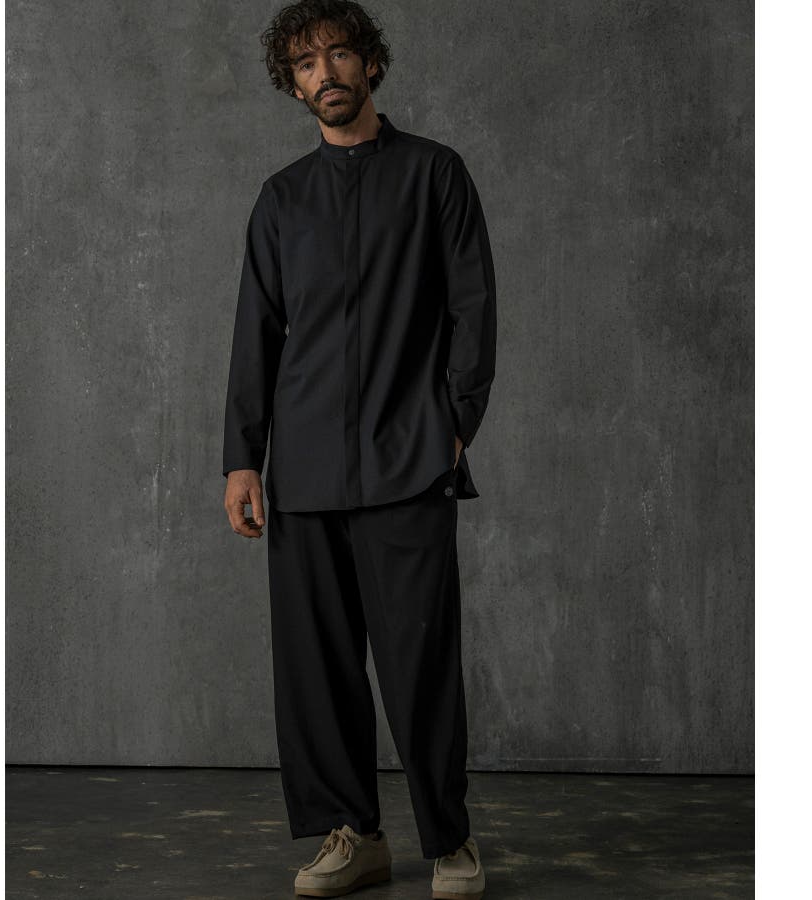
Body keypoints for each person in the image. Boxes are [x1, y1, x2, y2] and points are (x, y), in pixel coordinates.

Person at [221, 2, 496, 897]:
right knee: (317, 667)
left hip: (408, 458)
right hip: (302, 470)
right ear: (293, 84)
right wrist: (242, 458)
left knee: (420, 664)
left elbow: (472, 306)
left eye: (339, 54)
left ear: (370, 64)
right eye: (306, 64)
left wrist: (454, 422)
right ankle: (353, 834)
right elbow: (257, 333)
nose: (325, 73)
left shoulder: (434, 174)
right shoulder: (281, 199)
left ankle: (449, 839)